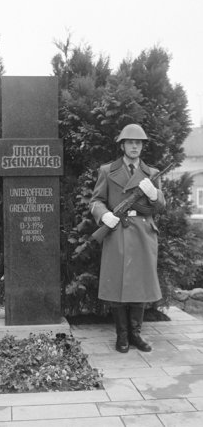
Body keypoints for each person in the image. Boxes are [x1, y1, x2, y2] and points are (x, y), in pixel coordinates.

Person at [90, 124, 165, 353]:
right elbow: (96, 201)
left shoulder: (152, 173)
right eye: (130, 142)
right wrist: (105, 216)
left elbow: (161, 206)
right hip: (117, 229)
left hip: (143, 232)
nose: (135, 146)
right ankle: (122, 335)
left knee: (139, 285)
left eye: (139, 142)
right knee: (118, 286)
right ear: (122, 145)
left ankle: (136, 334)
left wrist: (154, 194)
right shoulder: (107, 170)